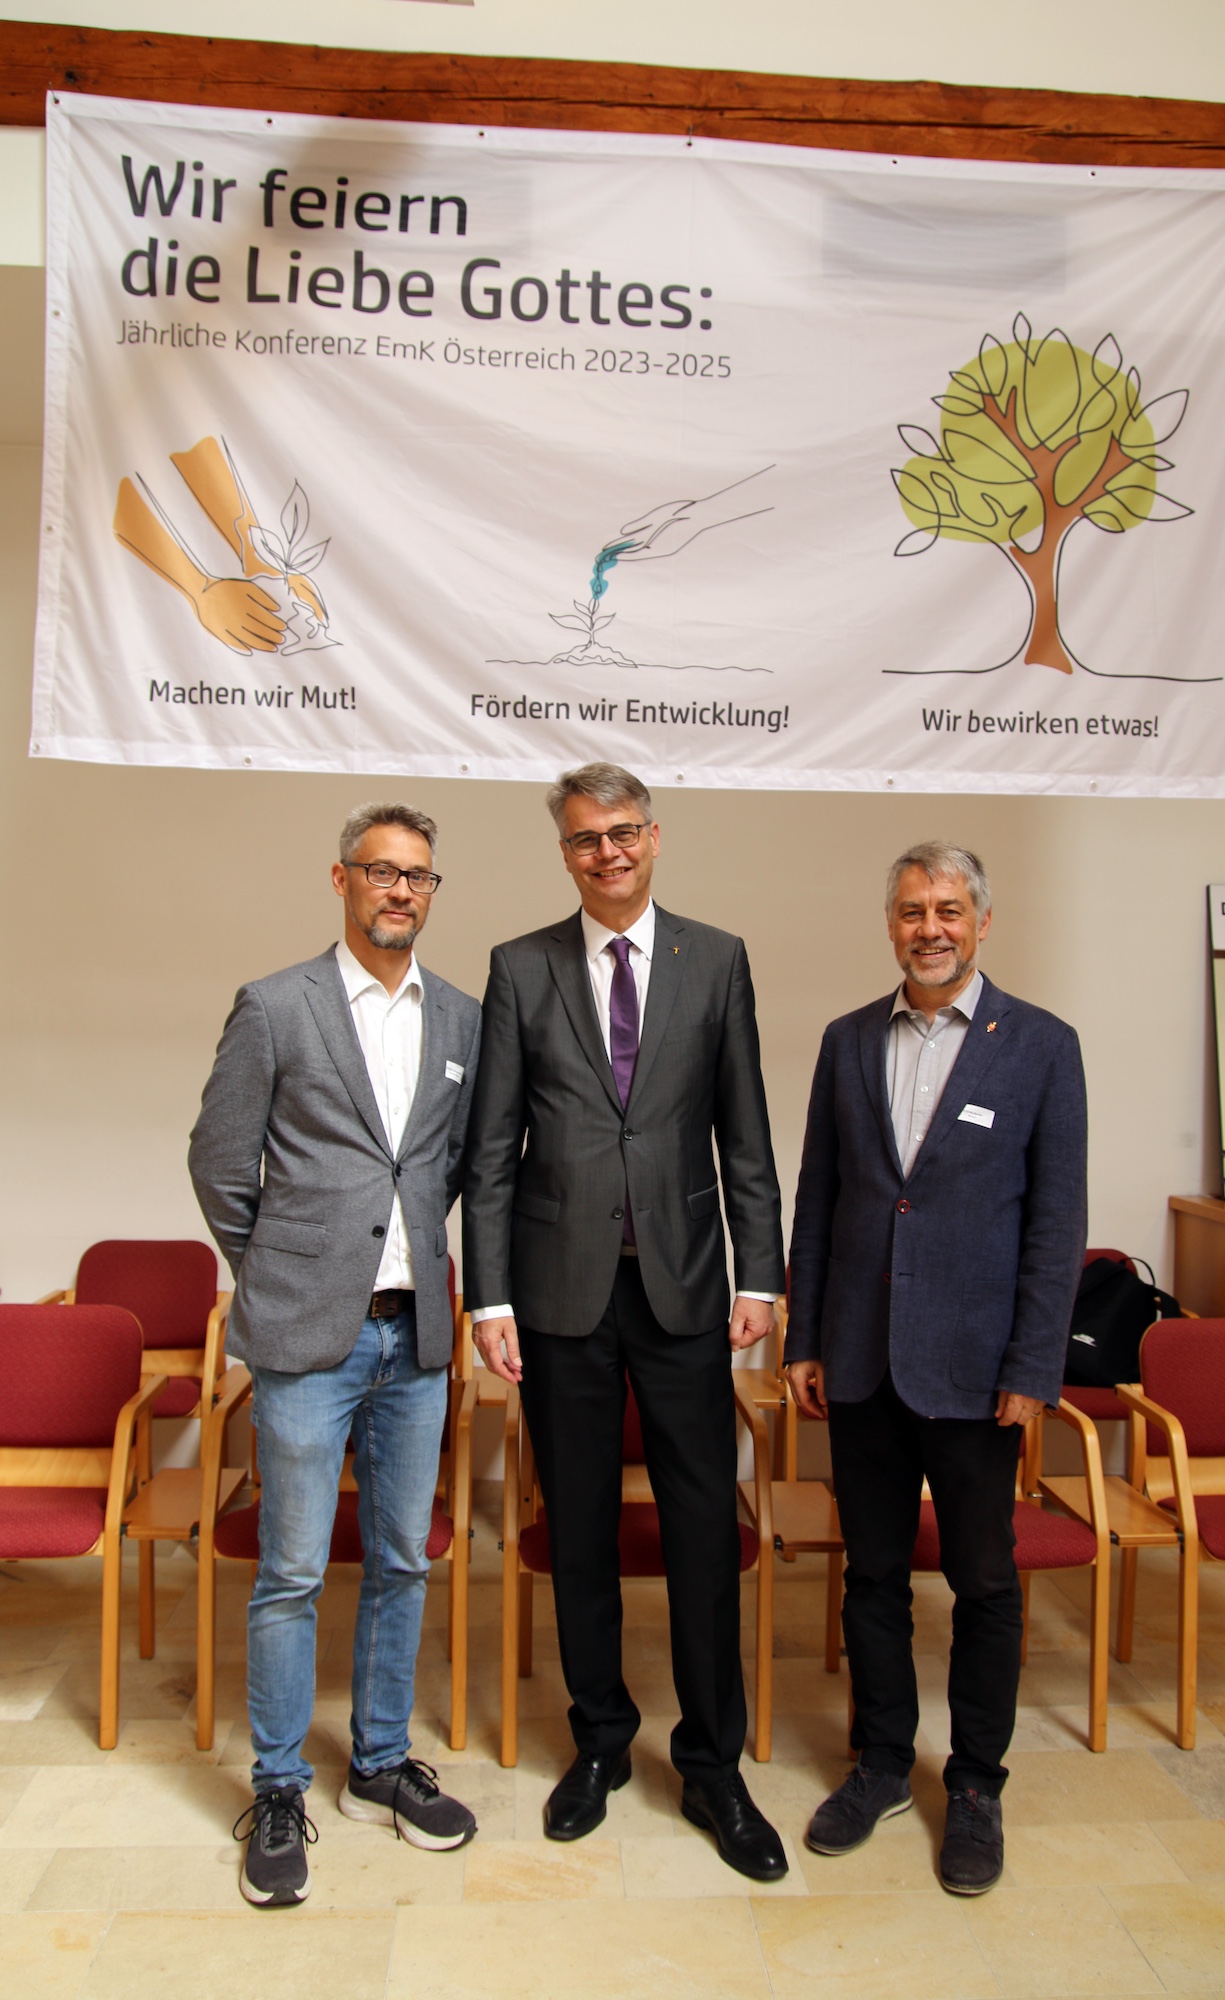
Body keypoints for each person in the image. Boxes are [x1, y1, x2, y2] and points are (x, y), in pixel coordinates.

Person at [463, 762, 788, 1881]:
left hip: (686, 1289)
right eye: (584, 838)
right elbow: (490, 1152)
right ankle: (600, 1740)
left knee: (701, 1528)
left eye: (622, 832)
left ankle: (712, 1764)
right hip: (558, 1297)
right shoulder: (520, 966)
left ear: (653, 836)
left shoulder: (717, 958)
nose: (606, 851)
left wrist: (760, 1274)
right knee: (581, 1528)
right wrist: (490, 1295)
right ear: (564, 852)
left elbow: (745, 1132)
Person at [189, 803, 482, 1907]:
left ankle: (377, 1764)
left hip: (418, 1336)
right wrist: (278, 1269)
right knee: (293, 1572)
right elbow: (219, 1158)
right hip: (307, 1339)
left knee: (403, 1558)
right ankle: (276, 1787)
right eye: (381, 871)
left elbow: (453, 1166)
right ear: (341, 879)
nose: (400, 890)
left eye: (418, 876)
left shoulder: (461, 1017)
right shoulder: (276, 1005)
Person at [785, 841, 1086, 1895]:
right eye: (912, 910)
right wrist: (805, 1339)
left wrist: (1032, 1365)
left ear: (981, 922)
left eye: (949, 909)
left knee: (983, 1582)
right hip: (861, 1361)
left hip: (975, 1370)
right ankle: (879, 1763)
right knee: (870, 1576)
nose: (930, 928)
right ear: (890, 923)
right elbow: (818, 1199)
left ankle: (974, 1785)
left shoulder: (1040, 1045)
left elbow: (1055, 1223)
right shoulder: (846, 1040)